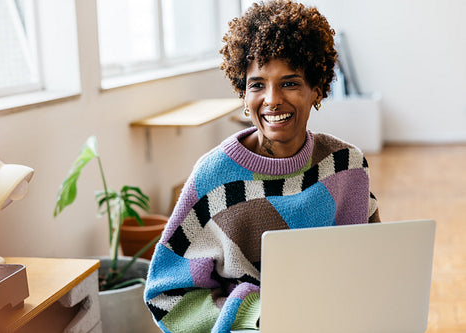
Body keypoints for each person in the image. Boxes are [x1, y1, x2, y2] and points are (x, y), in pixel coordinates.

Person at [144, 1, 380, 332]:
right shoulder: (213, 179)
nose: (271, 99)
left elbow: (376, 262)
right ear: (243, 93)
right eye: (257, 84)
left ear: (317, 89)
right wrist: (255, 314)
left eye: (290, 82)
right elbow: (167, 295)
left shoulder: (346, 165)